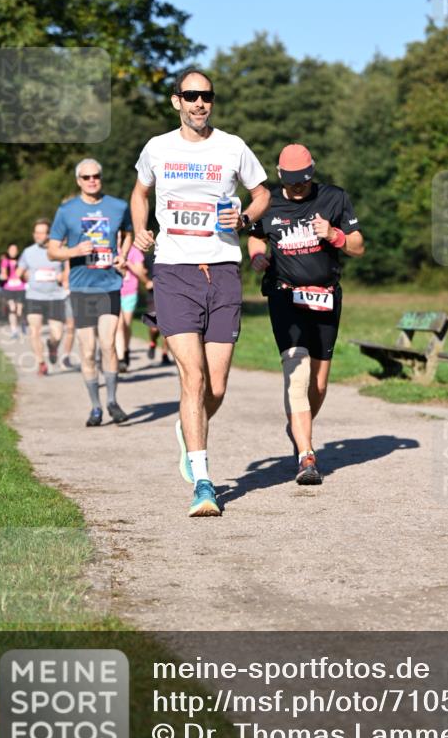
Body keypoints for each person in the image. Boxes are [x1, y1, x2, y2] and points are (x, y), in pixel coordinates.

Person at [131, 68, 270, 517]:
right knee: (192, 378)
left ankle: (188, 428)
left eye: (206, 96)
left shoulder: (233, 146)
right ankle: (204, 482)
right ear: (176, 101)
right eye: (190, 95)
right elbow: (139, 193)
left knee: (217, 384)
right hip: (173, 271)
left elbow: (263, 192)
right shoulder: (157, 147)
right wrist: (139, 229)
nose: (199, 103)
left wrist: (245, 219)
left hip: (224, 270)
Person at [247, 144, 365, 485]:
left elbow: (359, 246)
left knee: (319, 383)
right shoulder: (268, 201)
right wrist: (257, 258)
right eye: (293, 182)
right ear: (281, 176)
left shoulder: (334, 198)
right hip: (285, 296)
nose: (299, 188)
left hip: (326, 297)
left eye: (305, 181)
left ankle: (297, 426)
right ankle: (307, 455)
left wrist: (334, 235)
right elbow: (256, 238)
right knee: (296, 372)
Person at [48, 159, 133, 426]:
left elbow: (128, 233)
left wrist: (123, 255)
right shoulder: (67, 211)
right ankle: (95, 407)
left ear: (101, 177)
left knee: (108, 345)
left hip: (109, 285)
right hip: (82, 287)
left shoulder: (118, 206)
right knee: (87, 350)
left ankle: (112, 401)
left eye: (96, 176)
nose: (92, 180)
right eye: (86, 177)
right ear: (78, 181)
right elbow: (52, 250)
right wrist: (74, 251)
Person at [17, 219, 67, 375]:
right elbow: (20, 272)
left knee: (57, 334)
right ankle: (41, 363)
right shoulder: (28, 252)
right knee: (34, 332)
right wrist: (24, 275)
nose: (37, 235)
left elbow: (69, 269)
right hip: (34, 296)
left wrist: (62, 276)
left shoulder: (59, 250)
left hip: (55, 296)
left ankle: (52, 346)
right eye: (36, 232)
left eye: (41, 232)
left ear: (49, 234)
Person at [115, 244, 148, 372]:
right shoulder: (110, 247)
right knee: (119, 325)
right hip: (114, 292)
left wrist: (129, 263)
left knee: (126, 326)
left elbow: (141, 272)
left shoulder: (134, 251)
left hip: (129, 293)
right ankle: (120, 358)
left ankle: (125, 349)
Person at [0, 243, 27, 337]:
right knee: (12, 308)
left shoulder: (21, 261)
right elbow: (3, 273)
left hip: (20, 287)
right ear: (8, 251)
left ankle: (23, 323)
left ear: (17, 251)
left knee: (19, 309)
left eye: (15, 250)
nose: (13, 252)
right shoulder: (5, 261)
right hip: (9, 288)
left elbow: (26, 273)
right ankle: (14, 330)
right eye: (11, 250)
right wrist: (3, 276)